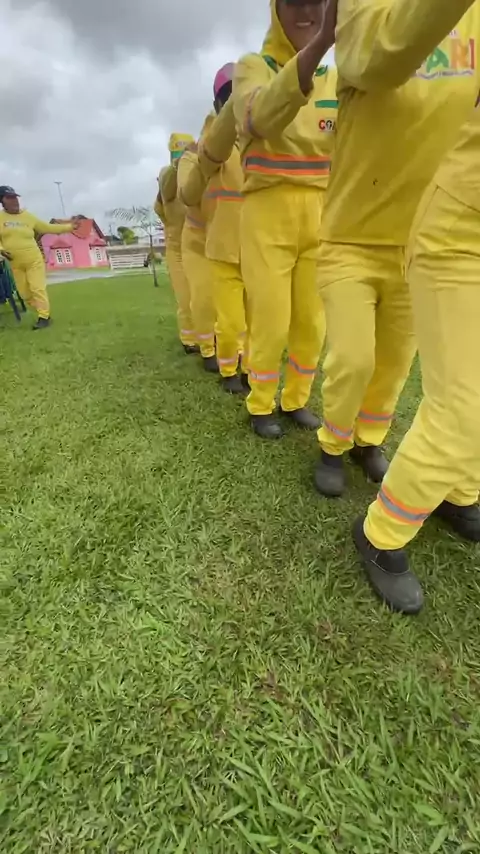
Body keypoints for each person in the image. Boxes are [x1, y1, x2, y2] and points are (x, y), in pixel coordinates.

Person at [313, 0, 480, 497]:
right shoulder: (360, 8)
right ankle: (332, 444)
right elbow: (381, 56)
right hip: (349, 237)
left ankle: (369, 441)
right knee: (352, 358)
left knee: (394, 362)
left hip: (421, 238)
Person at [351, 0, 480, 615]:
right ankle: (381, 533)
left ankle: (460, 489)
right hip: (460, 232)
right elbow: (376, 56)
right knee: (462, 404)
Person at [233, 0, 338, 439]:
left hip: (322, 211)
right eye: (293, 2)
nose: (306, 12)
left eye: (316, 2)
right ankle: (260, 404)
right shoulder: (252, 67)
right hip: (267, 208)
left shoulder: (339, 78)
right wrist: (320, 46)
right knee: (271, 319)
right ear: (276, 9)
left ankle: (296, 399)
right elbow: (259, 118)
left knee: (312, 321)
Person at [198, 62, 248, 395]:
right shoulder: (214, 140)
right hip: (223, 249)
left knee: (258, 323)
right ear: (217, 104)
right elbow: (208, 149)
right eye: (227, 96)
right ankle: (228, 369)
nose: (234, 101)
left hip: (259, 247)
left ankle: (250, 370)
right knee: (230, 322)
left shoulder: (258, 137)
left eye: (239, 93)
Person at [0, 186, 79, 329]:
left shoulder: (27, 216)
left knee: (37, 289)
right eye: (9, 198)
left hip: (34, 260)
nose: (14, 201)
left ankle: (44, 317)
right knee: (25, 294)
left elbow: (48, 227)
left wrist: (70, 227)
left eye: (15, 197)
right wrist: (1, 250)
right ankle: (44, 312)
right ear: (2, 201)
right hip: (16, 263)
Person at [177, 117, 218, 373]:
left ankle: (230, 347)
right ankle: (208, 349)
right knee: (202, 297)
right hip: (197, 240)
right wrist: (203, 159)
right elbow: (187, 195)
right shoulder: (190, 160)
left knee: (232, 299)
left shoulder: (240, 152)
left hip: (228, 237)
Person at [157, 134, 199, 354]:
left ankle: (207, 335)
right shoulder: (168, 175)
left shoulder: (195, 173)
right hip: (177, 249)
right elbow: (165, 189)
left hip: (197, 245)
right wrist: (179, 164)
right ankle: (189, 339)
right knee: (185, 297)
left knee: (203, 295)